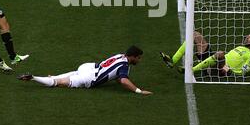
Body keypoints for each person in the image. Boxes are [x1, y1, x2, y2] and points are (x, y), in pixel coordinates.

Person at [17, 46, 152, 95]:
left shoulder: (120, 56)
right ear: (132, 57)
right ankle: (33, 77)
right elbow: (123, 80)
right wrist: (138, 91)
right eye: (138, 58)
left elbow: (117, 76)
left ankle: (51, 76)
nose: (139, 60)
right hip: (89, 78)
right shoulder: (124, 66)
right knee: (58, 83)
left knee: (65, 76)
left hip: (88, 67)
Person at [160, 31, 250, 76]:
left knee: (220, 53)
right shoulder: (240, 47)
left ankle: (191, 70)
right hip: (215, 61)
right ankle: (172, 61)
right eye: (249, 35)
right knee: (195, 35)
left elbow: (245, 70)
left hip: (222, 70)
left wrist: (230, 70)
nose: (248, 37)